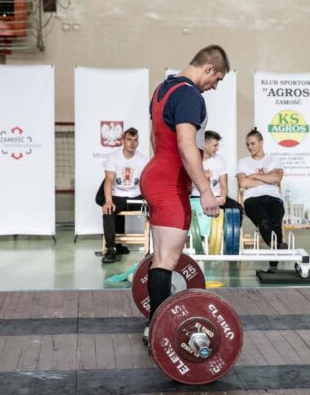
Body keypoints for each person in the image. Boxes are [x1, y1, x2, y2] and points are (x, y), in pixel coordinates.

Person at [140, 45, 230, 342]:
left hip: (157, 175)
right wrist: (205, 190)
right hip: (169, 183)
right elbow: (186, 144)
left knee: (161, 257)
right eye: (216, 79)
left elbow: (157, 138)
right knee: (166, 259)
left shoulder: (162, 89)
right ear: (208, 69)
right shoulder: (190, 94)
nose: (215, 87)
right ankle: (157, 331)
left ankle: (154, 325)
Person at [237, 128, 286, 273]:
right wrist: (267, 179)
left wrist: (254, 176)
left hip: (274, 197)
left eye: (252, 144)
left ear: (261, 143)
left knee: (275, 223)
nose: (250, 147)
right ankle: (277, 248)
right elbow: (243, 183)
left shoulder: (274, 160)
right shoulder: (243, 162)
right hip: (252, 199)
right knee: (264, 221)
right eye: (247, 144)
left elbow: (276, 178)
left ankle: (274, 263)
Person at [98, 127, 148, 264]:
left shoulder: (143, 159)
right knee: (108, 209)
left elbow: (148, 181)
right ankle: (111, 249)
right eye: (129, 140)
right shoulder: (113, 157)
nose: (132, 143)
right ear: (123, 141)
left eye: (135, 140)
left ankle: (152, 249)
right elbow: (108, 179)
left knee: (156, 208)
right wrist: (108, 201)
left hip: (136, 196)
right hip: (118, 195)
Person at [191, 130, 244, 221]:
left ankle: (227, 234)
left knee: (237, 209)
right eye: (215, 145)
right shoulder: (192, 160)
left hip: (217, 197)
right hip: (197, 197)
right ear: (205, 144)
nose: (217, 148)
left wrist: (222, 198)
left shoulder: (220, 160)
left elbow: (224, 186)